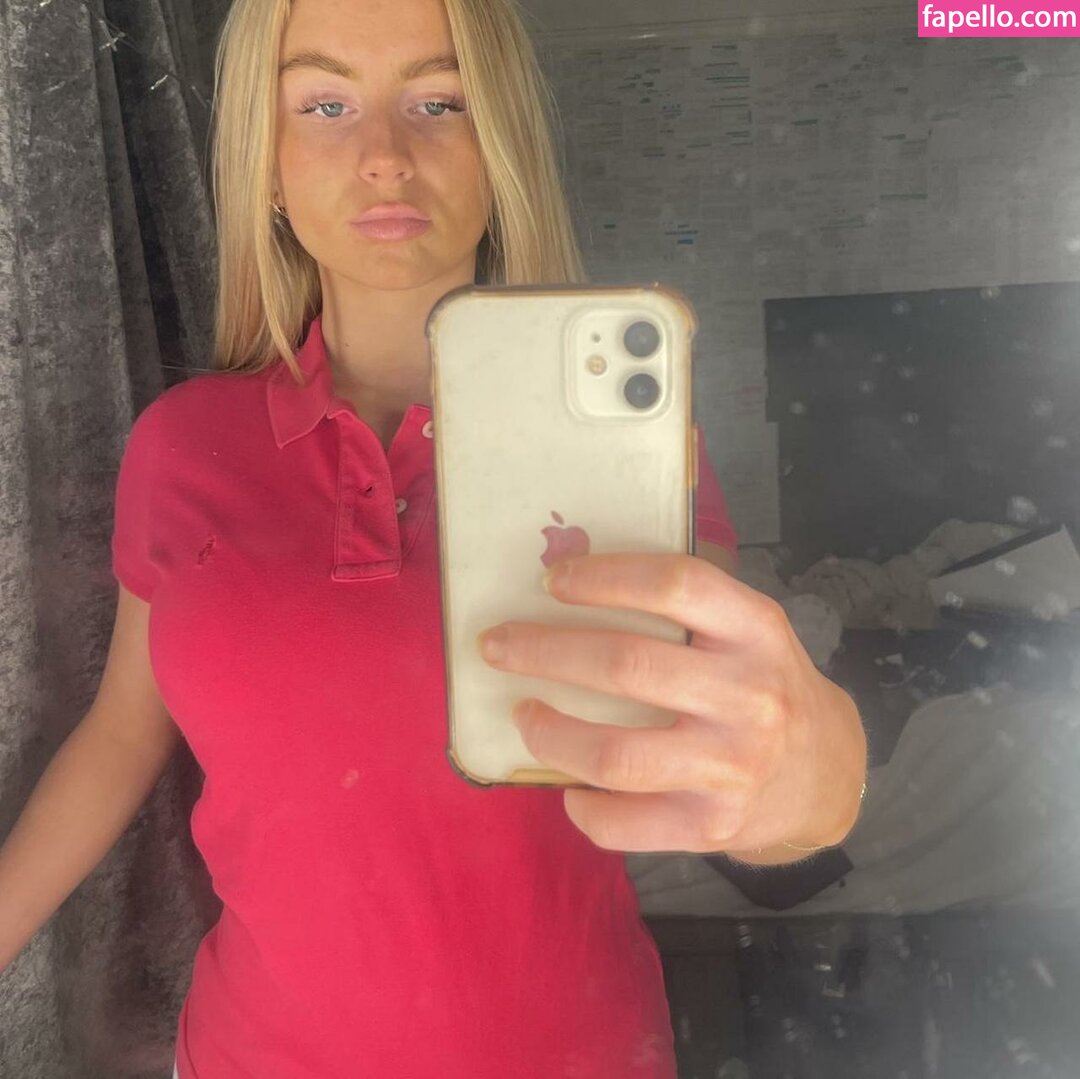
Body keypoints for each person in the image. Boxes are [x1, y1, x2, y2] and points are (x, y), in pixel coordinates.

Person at [0, 0, 866, 1075]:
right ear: (265, 167)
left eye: (439, 102)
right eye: (323, 104)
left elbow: (730, 753)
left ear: (500, 146)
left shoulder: (625, 459)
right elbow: (120, 737)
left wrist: (817, 781)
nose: (383, 155)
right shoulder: (181, 447)